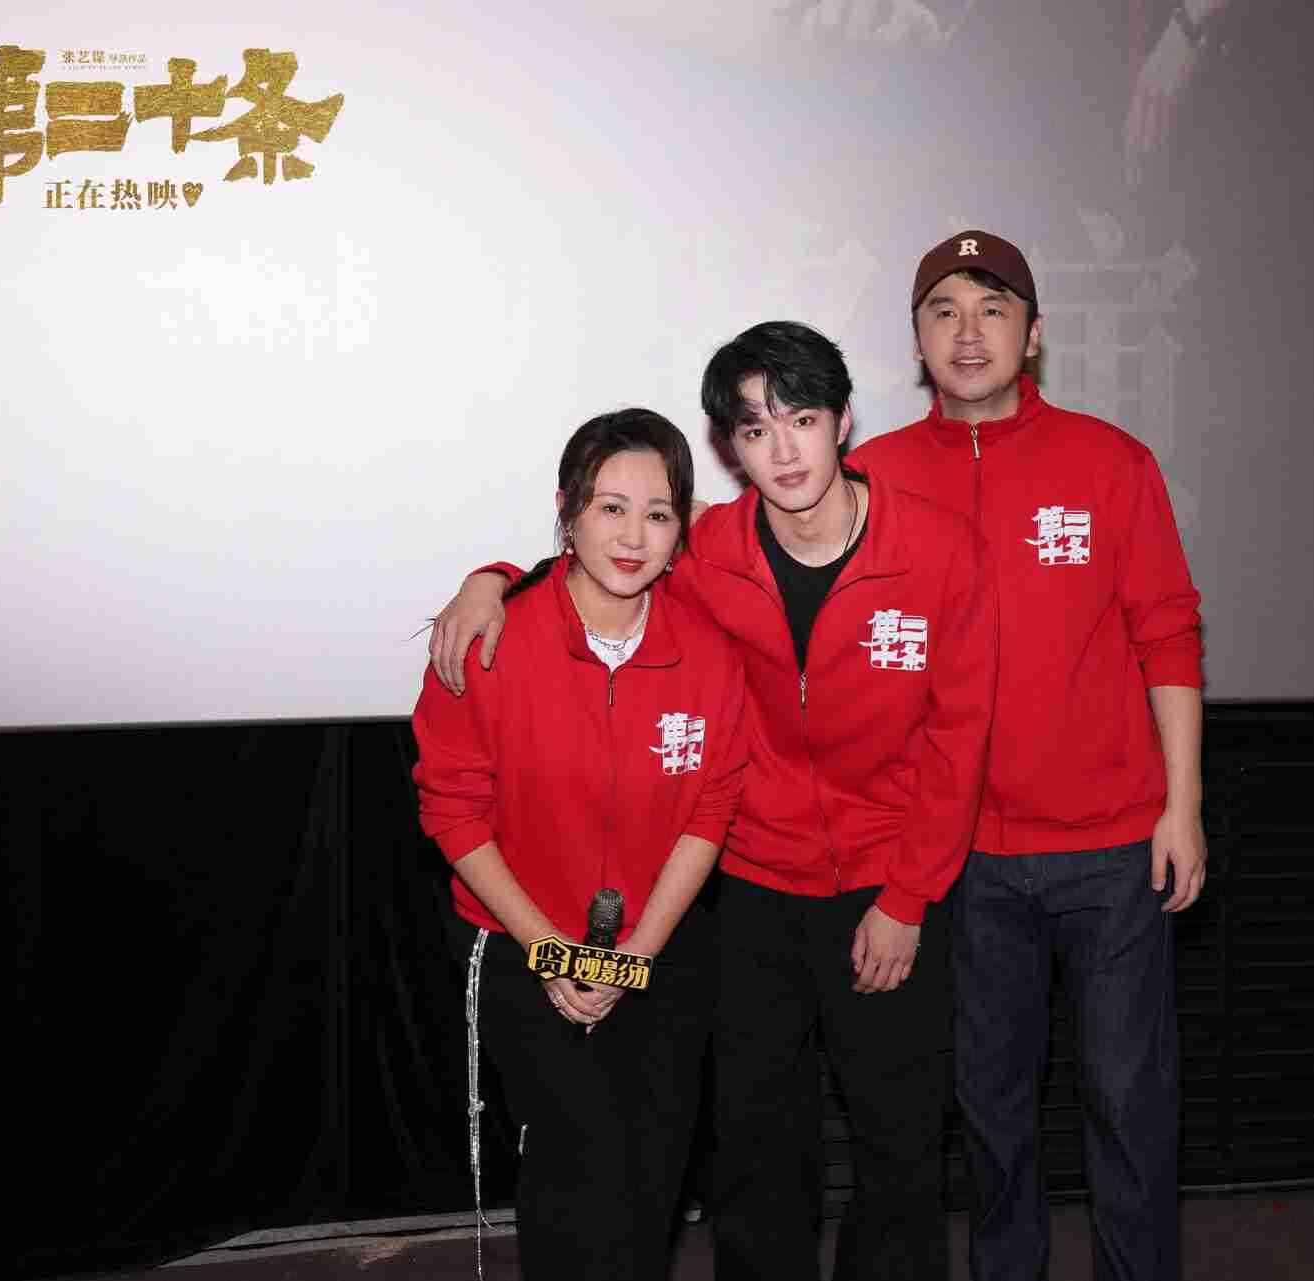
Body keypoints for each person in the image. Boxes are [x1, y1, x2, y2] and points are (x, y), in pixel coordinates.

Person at [430, 322, 997, 1281]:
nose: (784, 451)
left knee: (899, 1144)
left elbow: (960, 737)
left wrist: (908, 897)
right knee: (756, 1148)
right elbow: (597, 555)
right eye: (755, 429)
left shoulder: (938, 549)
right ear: (732, 448)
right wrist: (487, 581)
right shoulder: (707, 551)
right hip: (752, 891)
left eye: (802, 419)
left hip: (890, 885)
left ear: (843, 421)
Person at [845, 230, 1205, 1281]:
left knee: (1129, 1106)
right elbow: (720, 556)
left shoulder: (1110, 462)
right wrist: (501, 577)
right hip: (961, 862)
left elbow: (1169, 636)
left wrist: (1182, 808)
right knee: (992, 1117)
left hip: (1113, 851)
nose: (969, 333)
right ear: (917, 339)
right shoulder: (870, 479)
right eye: (945, 311)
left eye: (993, 310)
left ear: (1034, 334)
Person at [411, 408, 748, 1281]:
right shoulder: (492, 639)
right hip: (522, 945)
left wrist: (635, 956)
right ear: (567, 511)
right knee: (575, 1169)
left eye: (658, 514)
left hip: (658, 946)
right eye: (611, 508)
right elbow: (453, 811)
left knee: (651, 1175)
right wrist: (551, 951)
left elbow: (710, 808)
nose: (634, 537)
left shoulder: (709, 650)